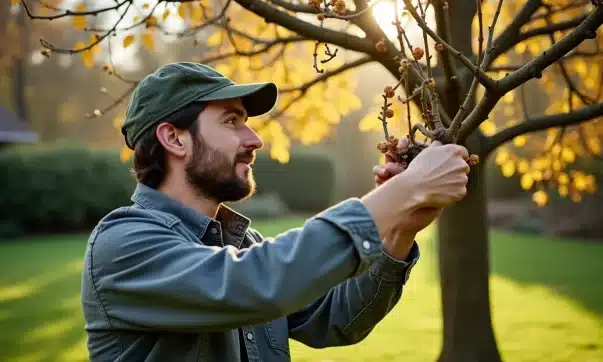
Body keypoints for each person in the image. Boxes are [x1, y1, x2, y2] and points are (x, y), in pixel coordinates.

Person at [80, 62, 470, 362]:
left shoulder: (242, 245)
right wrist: (406, 188)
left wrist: (401, 229)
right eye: (231, 120)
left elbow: (339, 319)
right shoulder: (124, 244)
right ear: (174, 138)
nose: (255, 139)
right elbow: (263, 283)